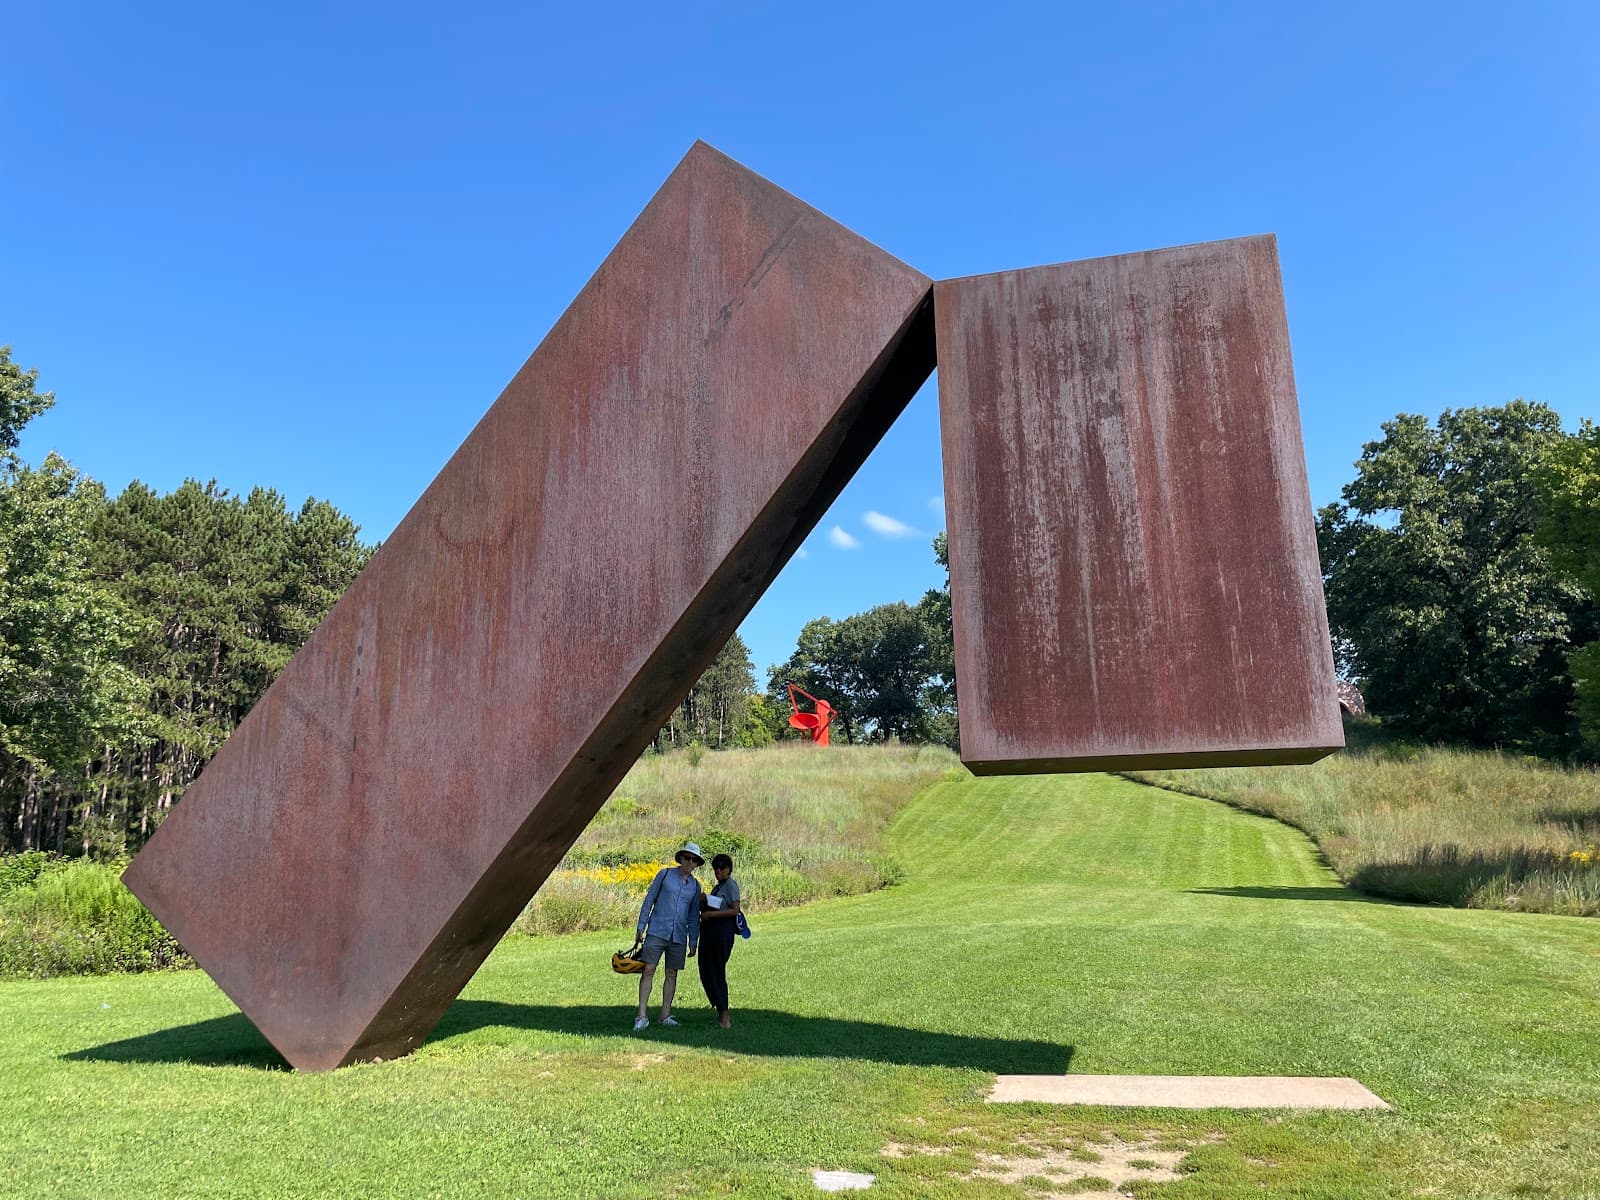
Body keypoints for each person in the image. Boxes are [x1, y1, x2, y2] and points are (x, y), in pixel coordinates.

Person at [633, 842, 704, 1030]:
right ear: (680, 858)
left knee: (671, 974)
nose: (690, 862)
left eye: (694, 860)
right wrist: (641, 926)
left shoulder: (695, 887)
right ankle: (641, 1016)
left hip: (679, 936)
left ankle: (665, 1015)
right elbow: (649, 899)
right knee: (648, 969)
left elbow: (693, 915)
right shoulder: (664, 875)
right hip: (657, 930)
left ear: (697, 864)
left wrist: (693, 940)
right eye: (687, 858)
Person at [697, 852, 741, 1028]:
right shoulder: (719, 887)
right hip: (710, 932)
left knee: (716, 971)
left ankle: (724, 1017)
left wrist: (710, 913)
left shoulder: (730, 885)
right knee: (706, 970)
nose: (718, 871)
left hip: (721, 933)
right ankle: (719, 1011)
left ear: (728, 869)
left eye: (721, 867)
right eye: (715, 868)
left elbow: (734, 910)